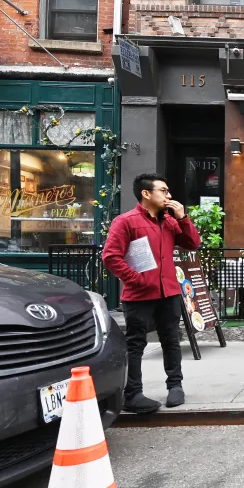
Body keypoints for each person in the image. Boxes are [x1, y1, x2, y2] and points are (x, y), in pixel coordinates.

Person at [102, 174, 201, 413]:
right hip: (139, 295)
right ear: (146, 194)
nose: (169, 196)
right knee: (136, 343)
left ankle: (175, 386)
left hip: (168, 291)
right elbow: (111, 256)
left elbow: (193, 243)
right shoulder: (126, 221)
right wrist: (137, 280)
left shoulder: (169, 221)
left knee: (171, 340)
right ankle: (133, 394)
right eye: (163, 191)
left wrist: (183, 218)